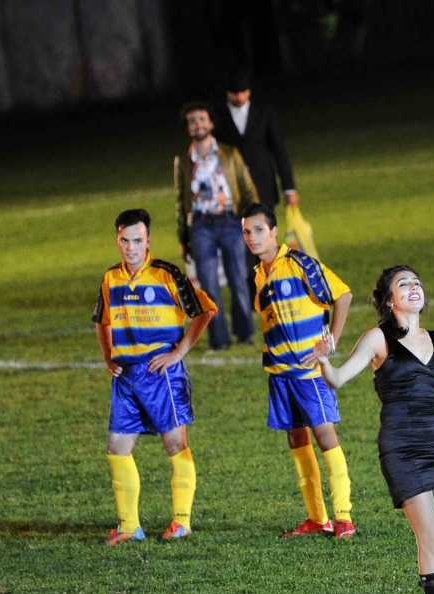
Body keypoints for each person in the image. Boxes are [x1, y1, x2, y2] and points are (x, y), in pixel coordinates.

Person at [306, 264, 434, 594]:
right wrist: (323, 359)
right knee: (430, 539)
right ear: (388, 300)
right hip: (401, 447)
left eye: (417, 282)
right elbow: (337, 379)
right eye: (403, 284)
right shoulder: (377, 339)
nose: (414, 287)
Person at [93, 208, 217, 544]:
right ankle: (129, 527)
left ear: (148, 240)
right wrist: (108, 354)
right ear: (117, 240)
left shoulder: (167, 274)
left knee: (175, 445)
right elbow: (102, 320)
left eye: (137, 240)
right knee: (116, 449)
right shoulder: (111, 278)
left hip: (162, 375)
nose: (131, 248)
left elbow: (205, 311)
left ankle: (182, 522)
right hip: (126, 378)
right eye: (125, 240)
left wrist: (178, 353)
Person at [241, 203, 356, 539]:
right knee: (296, 438)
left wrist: (330, 342)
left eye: (258, 230)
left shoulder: (299, 263)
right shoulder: (259, 274)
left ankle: (344, 517)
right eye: (247, 232)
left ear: (274, 231)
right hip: (281, 373)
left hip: (309, 374)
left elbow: (343, 295)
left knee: (325, 437)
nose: (252, 237)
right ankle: (317, 517)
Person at [175, 101, 259, 350]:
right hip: (201, 227)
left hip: (230, 221)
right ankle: (219, 339)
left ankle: (245, 333)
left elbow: (248, 189)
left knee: (239, 278)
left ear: (211, 123)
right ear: (187, 128)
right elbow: (181, 201)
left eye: (202, 119)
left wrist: (254, 222)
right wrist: (183, 237)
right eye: (192, 121)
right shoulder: (183, 161)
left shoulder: (230, 153)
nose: (198, 124)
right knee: (208, 284)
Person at [213, 68, 300, 303]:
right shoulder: (217, 116)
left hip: (264, 188)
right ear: (227, 93)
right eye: (235, 92)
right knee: (242, 243)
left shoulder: (265, 112)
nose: (239, 96)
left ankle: (268, 288)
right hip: (231, 193)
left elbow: (279, 151)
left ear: (250, 91)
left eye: (243, 91)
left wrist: (289, 188)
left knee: (264, 240)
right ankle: (249, 295)